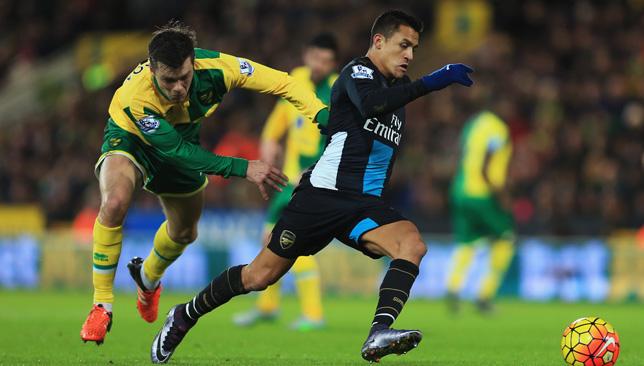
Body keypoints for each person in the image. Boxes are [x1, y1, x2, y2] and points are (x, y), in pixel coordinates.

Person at [150, 10, 473, 364]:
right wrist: (433, 81)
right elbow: (369, 105)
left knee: (412, 244)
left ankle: (379, 331)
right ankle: (184, 314)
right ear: (379, 42)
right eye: (404, 45)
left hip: (363, 205)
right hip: (321, 197)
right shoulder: (357, 73)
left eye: (414, 47)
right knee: (259, 276)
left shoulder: (399, 94)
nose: (410, 55)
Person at [79, 21, 330, 345]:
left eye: (184, 77)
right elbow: (178, 151)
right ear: (152, 69)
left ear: (193, 63)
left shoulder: (220, 68)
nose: (179, 88)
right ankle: (102, 305)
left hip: (182, 138)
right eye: (169, 80)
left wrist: (320, 114)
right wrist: (244, 168)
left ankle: (148, 278)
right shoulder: (135, 97)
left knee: (185, 232)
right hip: (132, 139)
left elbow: (283, 83)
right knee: (114, 202)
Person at [232, 33, 339, 332]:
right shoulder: (297, 80)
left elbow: (339, 137)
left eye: (327, 61)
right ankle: (267, 307)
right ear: (307, 56)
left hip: (313, 182)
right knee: (269, 240)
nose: (321, 64)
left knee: (293, 244)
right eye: (317, 57)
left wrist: (318, 169)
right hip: (288, 180)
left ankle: (314, 314)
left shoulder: (337, 91)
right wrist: (268, 142)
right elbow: (280, 119)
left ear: (333, 64)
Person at [445, 109, 515, 313]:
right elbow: (486, 164)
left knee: (467, 242)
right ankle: (485, 294)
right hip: (483, 194)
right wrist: (500, 194)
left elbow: (460, 155)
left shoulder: (472, 124)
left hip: (460, 190)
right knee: (505, 238)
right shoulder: (498, 128)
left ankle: (453, 287)